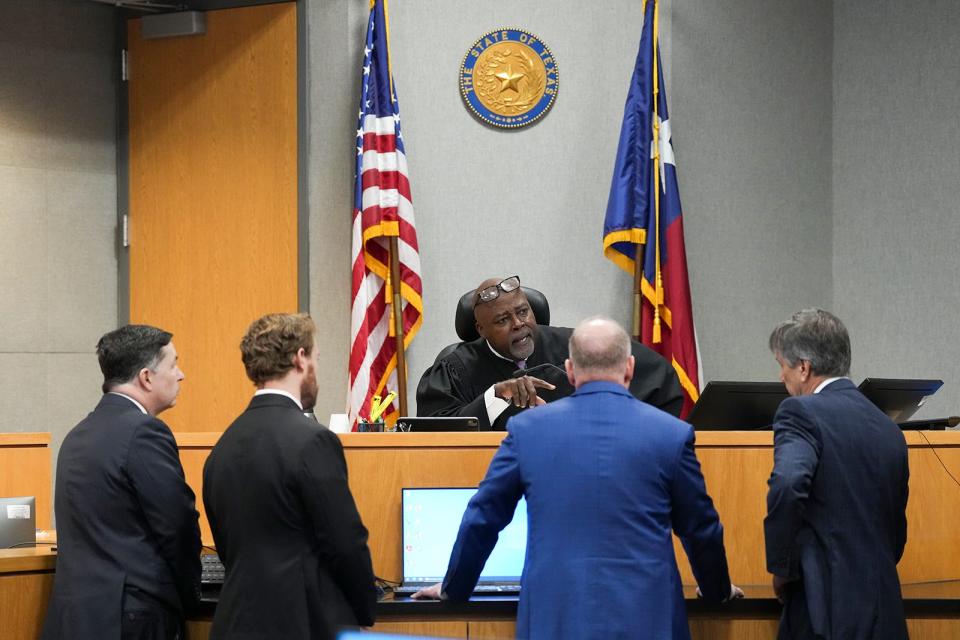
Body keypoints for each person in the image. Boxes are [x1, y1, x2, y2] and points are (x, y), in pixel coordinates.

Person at [414, 317, 740, 639]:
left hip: (554, 617)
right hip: (648, 616)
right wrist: (717, 590)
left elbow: (483, 517)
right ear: (629, 368)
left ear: (570, 371)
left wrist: (454, 589)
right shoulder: (672, 434)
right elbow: (700, 527)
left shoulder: (528, 430)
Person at [203, 313, 376, 639]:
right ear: (300, 359)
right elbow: (344, 542)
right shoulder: (313, 440)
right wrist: (364, 608)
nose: (317, 371)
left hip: (233, 622)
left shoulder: (222, 447)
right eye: (316, 358)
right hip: (300, 621)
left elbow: (227, 548)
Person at [43, 325, 201, 640]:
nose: (180, 374)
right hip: (132, 620)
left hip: (76, 619)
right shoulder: (144, 432)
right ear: (146, 377)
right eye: (173, 364)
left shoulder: (77, 434)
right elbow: (177, 526)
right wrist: (193, 596)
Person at [765, 309, 909, 639]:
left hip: (823, 610)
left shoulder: (798, 412)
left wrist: (782, 567)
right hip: (884, 609)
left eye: (781, 365)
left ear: (803, 367)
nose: (780, 377)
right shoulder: (887, 426)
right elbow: (895, 530)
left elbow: (787, 484)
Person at [416, 275, 683, 429]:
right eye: (502, 320)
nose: (518, 324)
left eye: (522, 312)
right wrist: (494, 397)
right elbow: (432, 434)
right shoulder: (457, 367)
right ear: (480, 329)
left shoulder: (577, 347)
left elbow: (658, 379)